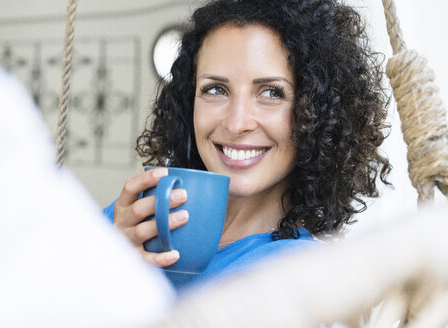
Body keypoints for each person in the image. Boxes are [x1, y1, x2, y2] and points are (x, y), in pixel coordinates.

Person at [104, 0, 391, 286]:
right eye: (215, 89)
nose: (236, 123)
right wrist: (101, 259)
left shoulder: (306, 274)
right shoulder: (131, 220)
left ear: (318, 111)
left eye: (271, 93)